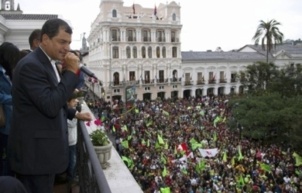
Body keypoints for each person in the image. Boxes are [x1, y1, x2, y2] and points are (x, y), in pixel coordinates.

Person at [8, 18, 91, 193]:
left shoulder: (47, 63)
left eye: (68, 42)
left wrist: (73, 114)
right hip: (35, 157)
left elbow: (56, 100)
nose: (67, 48)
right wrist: (70, 72)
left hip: (43, 154)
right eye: (62, 42)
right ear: (45, 39)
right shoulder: (32, 66)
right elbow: (51, 104)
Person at [0, 42, 20, 176]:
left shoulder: (6, 72)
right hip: (4, 122)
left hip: (10, 121)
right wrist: (14, 99)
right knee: (5, 157)